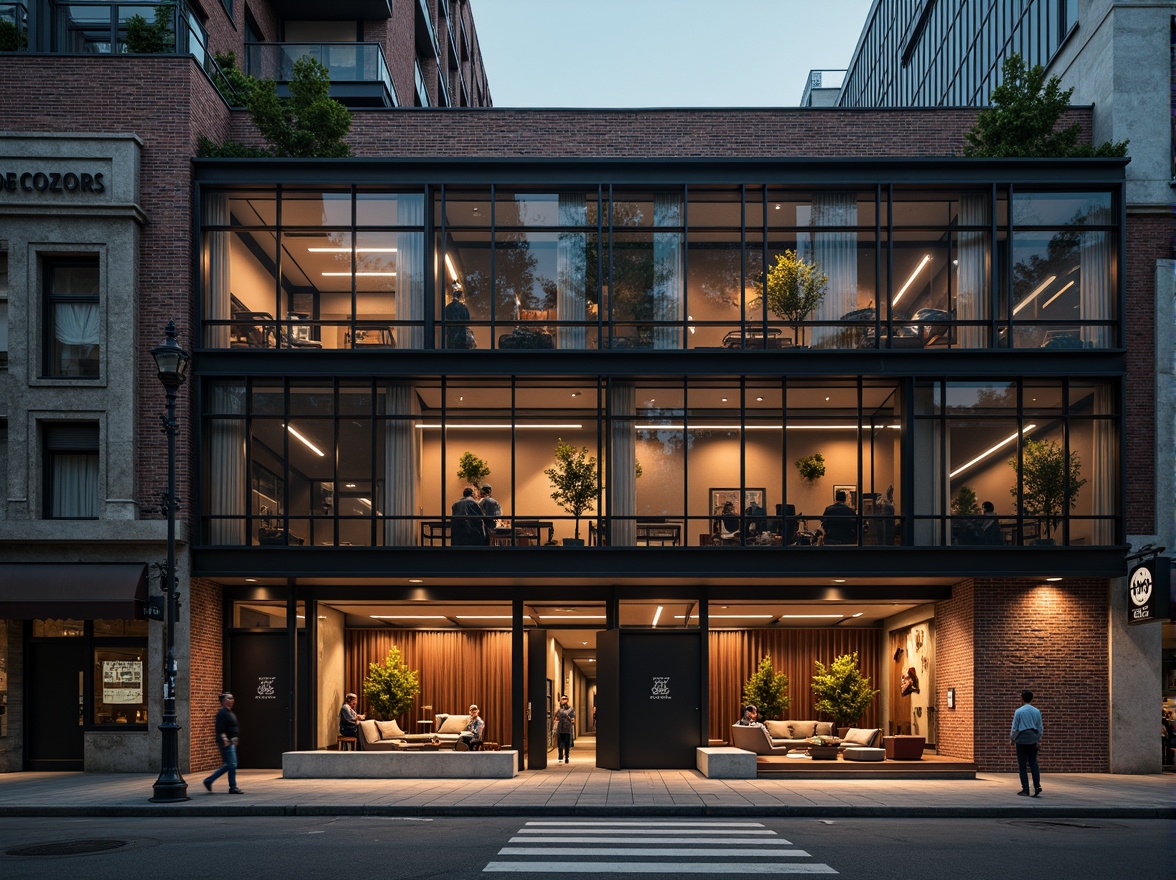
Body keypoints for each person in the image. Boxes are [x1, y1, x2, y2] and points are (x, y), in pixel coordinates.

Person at [202, 692, 244, 794]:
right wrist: (225, 739)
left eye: (232, 698)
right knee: (232, 764)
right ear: (224, 701)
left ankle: (209, 780)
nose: (231, 700)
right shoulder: (222, 713)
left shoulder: (229, 712)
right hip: (226, 743)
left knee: (229, 765)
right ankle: (232, 787)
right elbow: (219, 729)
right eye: (229, 698)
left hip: (231, 742)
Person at [1010, 689, 1044, 797]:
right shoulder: (1036, 711)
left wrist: (1012, 739)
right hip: (1033, 738)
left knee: (1022, 765)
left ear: (1022, 698)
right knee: (1033, 763)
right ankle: (1037, 786)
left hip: (1022, 739)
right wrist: (1038, 739)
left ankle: (1025, 789)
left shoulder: (1019, 711)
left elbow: (1015, 727)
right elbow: (1040, 727)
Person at [443, 281, 473, 349]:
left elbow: (445, 319)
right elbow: (467, 320)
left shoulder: (448, 307)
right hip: (461, 337)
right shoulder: (463, 307)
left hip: (451, 337)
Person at [553, 694, 576, 764]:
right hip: (560, 728)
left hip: (567, 728)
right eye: (562, 699)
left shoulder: (571, 709)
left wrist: (570, 719)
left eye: (565, 699)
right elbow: (555, 718)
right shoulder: (559, 709)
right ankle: (560, 756)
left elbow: (573, 720)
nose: (563, 700)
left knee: (566, 743)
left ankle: (567, 757)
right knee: (560, 743)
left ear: (567, 700)